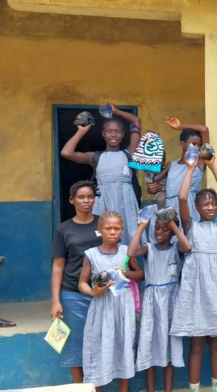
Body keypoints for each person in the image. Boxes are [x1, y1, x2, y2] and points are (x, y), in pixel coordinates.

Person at [169, 153, 217, 392]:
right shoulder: (190, 225)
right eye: (205, 204)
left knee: (215, 343)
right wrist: (191, 169)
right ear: (197, 208)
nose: (210, 207)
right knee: (196, 344)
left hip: (216, 289)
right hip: (196, 289)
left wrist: (214, 165)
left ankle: (216, 389)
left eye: (213, 204)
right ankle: (195, 389)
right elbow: (182, 197)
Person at [78, 211, 144, 391]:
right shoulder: (91, 254)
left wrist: (126, 273)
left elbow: (140, 274)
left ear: (122, 230)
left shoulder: (126, 252)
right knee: (99, 348)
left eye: (117, 228)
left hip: (123, 308)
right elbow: (82, 282)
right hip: (101, 307)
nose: (113, 232)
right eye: (108, 228)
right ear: (100, 230)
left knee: (124, 346)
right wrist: (94, 291)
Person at [60, 104, 142, 243]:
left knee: (128, 238)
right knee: (100, 238)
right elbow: (66, 153)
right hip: (102, 202)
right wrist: (82, 131)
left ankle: (127, 265)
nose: (114, 135)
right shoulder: (95, 157)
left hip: (126, 204)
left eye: (117, 131)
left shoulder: (129, 153)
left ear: (123, 134)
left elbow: (136, 121)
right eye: (109, 131)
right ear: (103, 134)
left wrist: (115, 111)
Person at [128, 213, 191, 392]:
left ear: (172, 232)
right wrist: (142, 227)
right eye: (156, 228)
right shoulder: (148, 248)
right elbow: (131, 253)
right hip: (152, 304)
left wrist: (174, 226)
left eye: (166, 229)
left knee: (168, 350)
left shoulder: (176, 248)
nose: (160, 232)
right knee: (149, 346)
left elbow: (187, 246)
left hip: (171, 303)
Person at [50, 180, 103, 383]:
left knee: (101, 343)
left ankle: (98, 386)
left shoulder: (103, 224)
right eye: (81, 197)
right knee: (75, 344)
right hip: (72, 294)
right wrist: (56, 300)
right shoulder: (64, 229)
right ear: (72, 200)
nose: (86, 201)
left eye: (90, 196)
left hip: (101, 292)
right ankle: (81, 387)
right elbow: (58, 266)